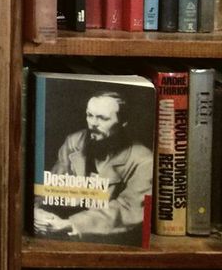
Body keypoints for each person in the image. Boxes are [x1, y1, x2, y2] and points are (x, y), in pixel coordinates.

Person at [33, 90, 153, 243]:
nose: (93, 124)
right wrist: (36, 210)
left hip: (110, 242)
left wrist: (71, 224)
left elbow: (129, 209)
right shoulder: (74, 141)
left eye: (103, 118)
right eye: (90, 115)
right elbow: (50, 187)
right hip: (59, 232)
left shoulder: (144, 160)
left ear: (123, 121)